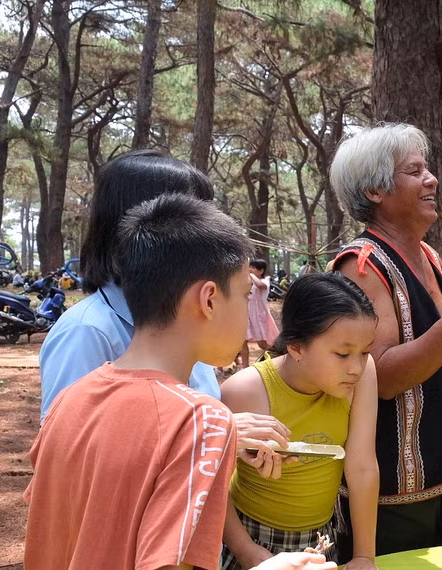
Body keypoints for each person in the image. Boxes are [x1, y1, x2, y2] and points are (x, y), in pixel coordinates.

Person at [12, 194, 338, 570]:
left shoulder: (73, 400)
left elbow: (90, 562)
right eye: (246, 293)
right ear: (207, 298)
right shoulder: (199, 418)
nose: (256, 315)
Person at [38, 149, 289, 467]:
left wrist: (229, 445)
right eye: (196, 214)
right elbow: (64, 456)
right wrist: (213, 433)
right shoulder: (87, 330)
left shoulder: (186, 323)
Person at [330, 122, 442, 556]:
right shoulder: (362, 264)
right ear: (376, 189)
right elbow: (381, 375)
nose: (432, 179)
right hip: (391, 491)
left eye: (426, 169)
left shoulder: (426, 255)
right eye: (414, 171)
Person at [220, 272, 381, 570]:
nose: (356, 367)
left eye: (364, 351)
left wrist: (364, 554)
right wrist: (247, 551)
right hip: (251, 540)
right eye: (343, 353)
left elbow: (362, 466)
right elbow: (214, 488)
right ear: (296, 346)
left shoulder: (361, 377)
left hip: (320, 539)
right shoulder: (247, 389)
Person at [240, 258, 280, 369]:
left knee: (262, 343)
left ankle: (276, 359)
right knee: (242, 342)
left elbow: (261, 286)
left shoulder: (264, 281)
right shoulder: (248, 282)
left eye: (253, 267)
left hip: (258, 315)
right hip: (245, 315)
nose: (251, 269)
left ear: (261, 271)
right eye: (250, 267)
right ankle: (245, 367)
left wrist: (251, 275)